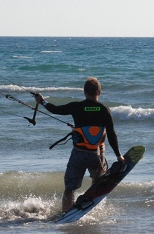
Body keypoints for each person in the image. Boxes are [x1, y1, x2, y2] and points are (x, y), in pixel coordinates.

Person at [34, 77, 125, 213]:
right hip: (97, 156)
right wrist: (119, 155)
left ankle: (66, 213)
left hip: (78, 155)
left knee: (69, 188)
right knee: (97, 184)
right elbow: (111, 134)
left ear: (84, 92)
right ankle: (93, 210)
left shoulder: (77, 107)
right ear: (99, 92)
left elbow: (54, 109)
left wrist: (42, 101)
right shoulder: (104, 110)